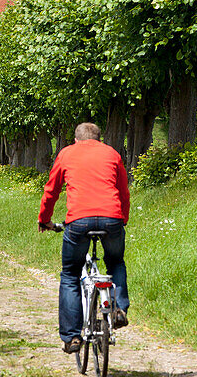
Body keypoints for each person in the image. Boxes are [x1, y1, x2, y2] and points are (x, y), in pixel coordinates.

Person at [39, 122, 130, 353]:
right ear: (100, 139)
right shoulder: (112, 153)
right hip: (112, 219)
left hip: (78, 221)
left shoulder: (67, 153)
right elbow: (123, 190)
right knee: (116, 261)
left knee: (70, 274)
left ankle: (72, 337)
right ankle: (118, 309)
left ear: (76, 140)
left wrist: (45, 219)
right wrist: (122, 219)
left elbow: (52, 190)